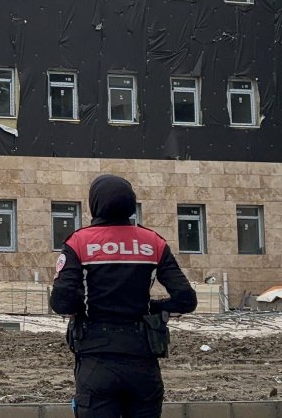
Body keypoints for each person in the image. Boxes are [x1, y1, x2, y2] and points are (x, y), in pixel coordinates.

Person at [50, 175, 196, 418]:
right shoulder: (153, 242)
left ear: (94, 203)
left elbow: (62, 302)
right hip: (143, 359)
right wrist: (153, 306)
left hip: (96, 359)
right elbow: (186, 300)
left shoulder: (79, 243)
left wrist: (84, 305)